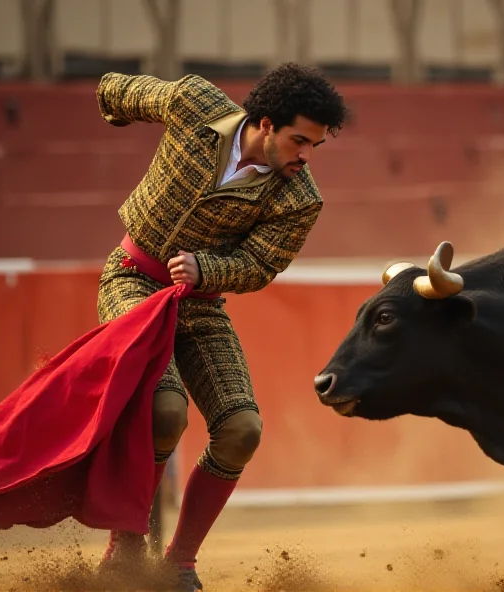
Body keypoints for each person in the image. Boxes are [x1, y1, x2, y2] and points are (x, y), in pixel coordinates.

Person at [94, 62, 349, 591]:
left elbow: (260, 264)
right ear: (263, 123)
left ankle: (180, 560)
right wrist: (115, 108)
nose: (305, 157)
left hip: (200, 304)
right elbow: (118, 89)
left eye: (315, 146)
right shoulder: (194, 105)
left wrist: (207, 269)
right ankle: (127, 541)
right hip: (132, 280)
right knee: (164, 410)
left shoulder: (300, 199)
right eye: (299, 141)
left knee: (242, 431)